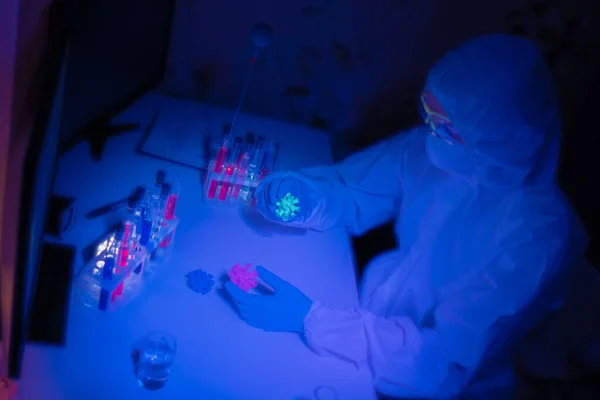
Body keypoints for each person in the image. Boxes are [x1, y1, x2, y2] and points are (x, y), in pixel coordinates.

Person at [224, 34, 595, 398]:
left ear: (506, 136)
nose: (432, 131)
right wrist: (306, 197)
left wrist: (312, 320)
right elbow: (353, 190)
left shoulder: (538, 233)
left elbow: (441, 363)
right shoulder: (436, 148)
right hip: (362, 326)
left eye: (447, 125)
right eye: (428, 112)